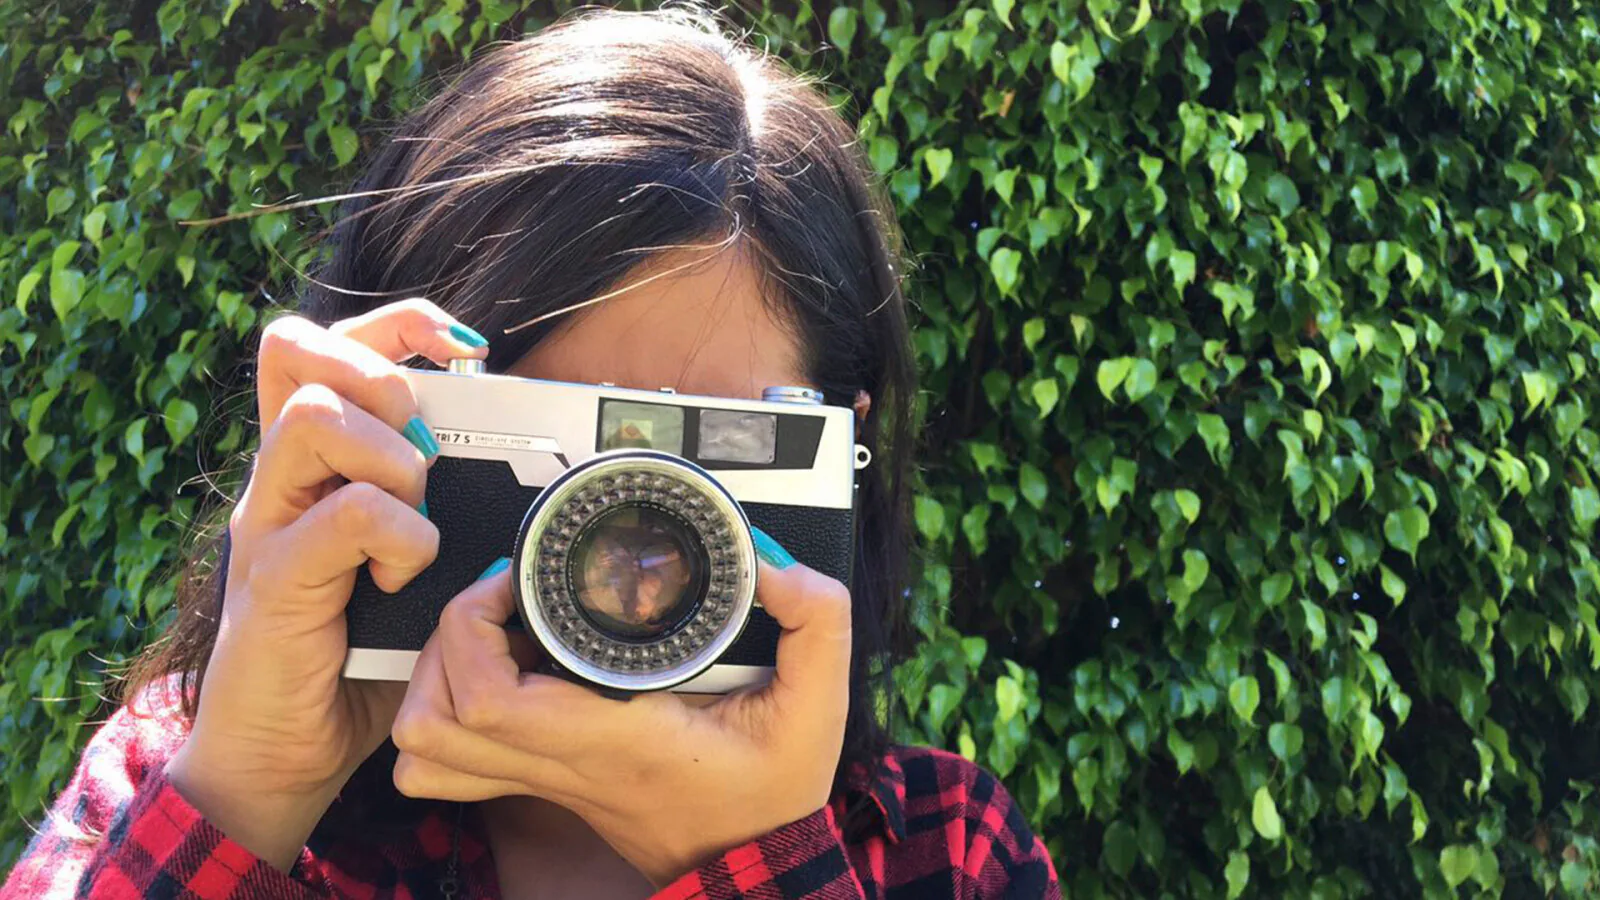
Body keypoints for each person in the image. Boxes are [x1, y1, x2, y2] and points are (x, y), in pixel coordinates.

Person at [1, 8, 1061, 899]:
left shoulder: (942, 850)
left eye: (702, 456)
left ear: (841, 456)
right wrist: (255, 788)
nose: (621, 534)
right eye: (546, 440)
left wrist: (748, 863)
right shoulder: (194, 777)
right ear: (379, 422)